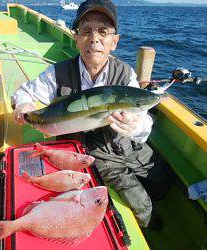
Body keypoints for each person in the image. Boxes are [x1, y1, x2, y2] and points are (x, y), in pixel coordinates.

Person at [12, 0, 170, 229]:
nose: (95, 38)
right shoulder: (58, 73)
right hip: (89, 151)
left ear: (114, 42)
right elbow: (24, 93)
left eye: (103, 32)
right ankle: (151, 225)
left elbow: (142, 116)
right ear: (76, 38)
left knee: (163, 178)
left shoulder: (125, 74)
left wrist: (135, 126)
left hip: (125, 143)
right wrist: (24, 107)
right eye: (86, 31)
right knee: (141, 205)